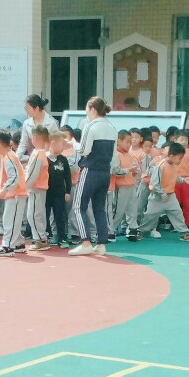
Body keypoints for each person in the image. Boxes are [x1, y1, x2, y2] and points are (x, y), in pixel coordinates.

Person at [69, 97, 119, 257]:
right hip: (105, 172)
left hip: (90, 171)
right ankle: (101, 244)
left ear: (92, 109)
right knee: (99, 208)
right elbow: (114, 157)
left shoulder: (90, 126)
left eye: (86, 109)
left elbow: (84, 150)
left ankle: (85, 243)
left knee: (78, 207)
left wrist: (73, 144)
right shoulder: (111, 127)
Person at [140, 144, 189, 242]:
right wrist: (162, 193)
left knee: (177, 213)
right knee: (150, 215)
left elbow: (175, 178)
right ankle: (141, 231)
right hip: (157, 197)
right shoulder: (161, 166)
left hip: (170, 196)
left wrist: (184, 180)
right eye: (179, 158)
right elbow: (155, 182)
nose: (180, 161)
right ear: (171, 156)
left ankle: (184, 233)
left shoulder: (174, 165)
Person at [0, 131, 29, 257]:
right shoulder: (7, 156)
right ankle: (18, 243)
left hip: (16, 194)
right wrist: (0, 186)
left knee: (10, 221)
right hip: (15, 194)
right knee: (12, 220)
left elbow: (14, 178)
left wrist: (4, 189)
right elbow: (8, 177)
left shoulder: (9, 157)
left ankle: (8, 246)